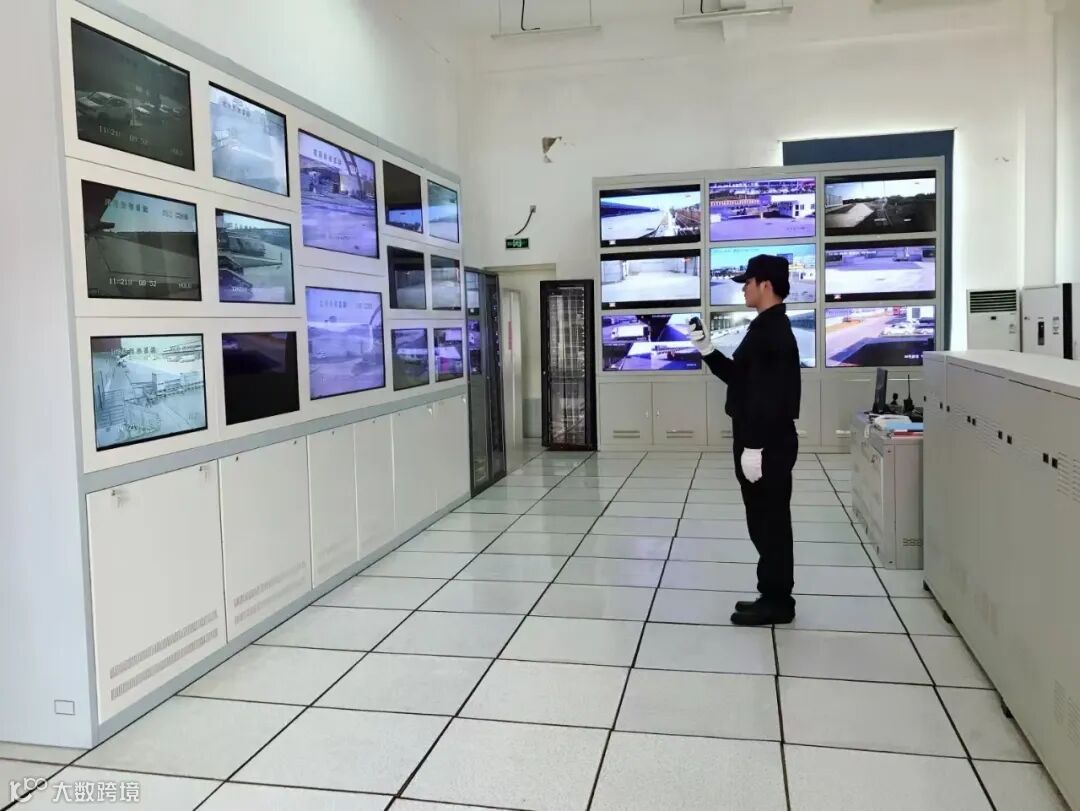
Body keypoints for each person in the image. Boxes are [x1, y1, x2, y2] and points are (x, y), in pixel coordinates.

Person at [689, 254, 801, 626]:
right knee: (764, 521)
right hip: (764, 441)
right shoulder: (766, 326)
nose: (743, 289)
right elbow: (742, 378)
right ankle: (771, 593)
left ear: (765, 284)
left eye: (748, 282)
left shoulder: (773, 333)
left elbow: (767, 399)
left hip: (765, 444)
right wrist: (707, 350)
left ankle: (777, 601)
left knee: (770, 523)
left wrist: (754, 447)